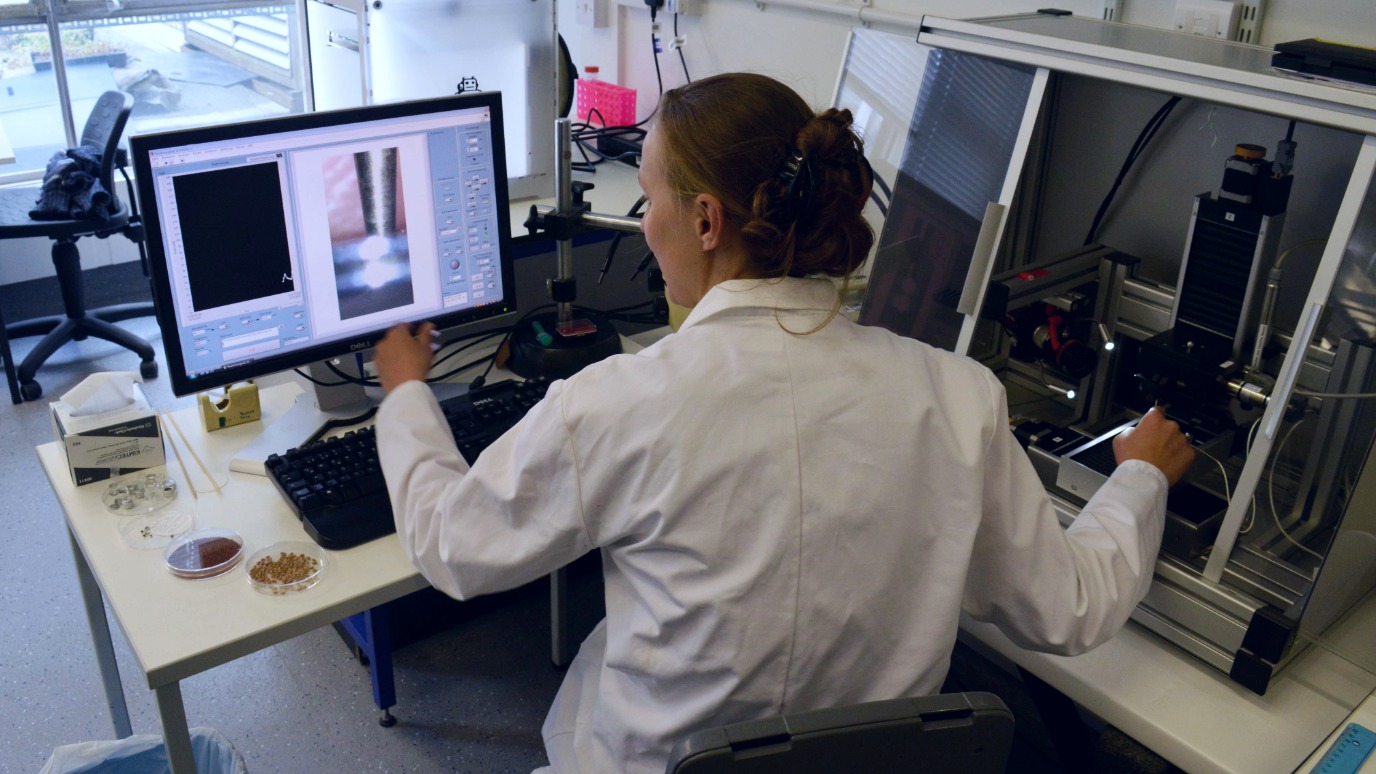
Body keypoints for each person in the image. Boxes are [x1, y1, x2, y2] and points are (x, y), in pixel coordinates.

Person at [372, 72, 1194, 774]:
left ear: (703, 221)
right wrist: (1139, 476)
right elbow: (1071, 610)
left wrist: (407, 393)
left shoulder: (620, 401)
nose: (641, 221)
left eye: (646, 195)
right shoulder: (958, 395)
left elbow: (454, 549)